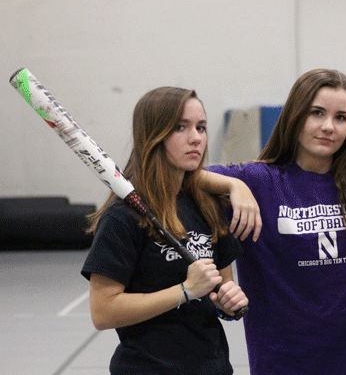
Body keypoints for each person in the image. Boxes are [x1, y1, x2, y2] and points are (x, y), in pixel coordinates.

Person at [201, 68, 346, 375]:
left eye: (341, 118)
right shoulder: (257, 181)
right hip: (286, 364)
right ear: (295, 116)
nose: (328, 127)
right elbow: (175, 174)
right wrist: (233, 186)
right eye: (316, 113)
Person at [81, 87, 249, 374]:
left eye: (201, 127)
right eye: (181, 127)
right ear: (153, 135)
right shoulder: (122, 217)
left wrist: (229, 302)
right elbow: (103, 312)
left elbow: (222, 287)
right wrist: (184, 291)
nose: (196, 137)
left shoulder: (207, 206)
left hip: (214, 367)